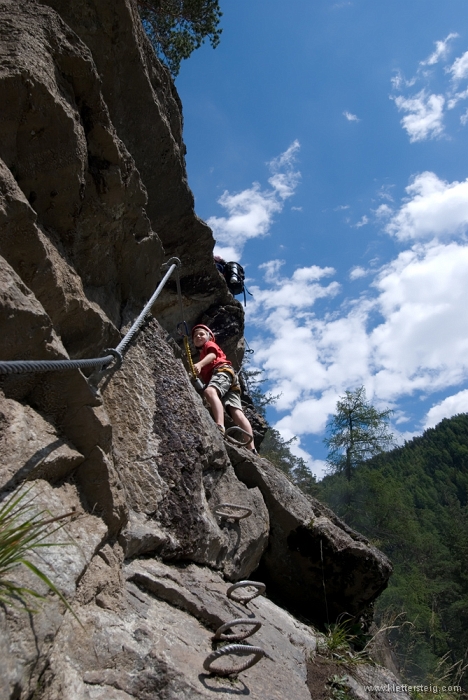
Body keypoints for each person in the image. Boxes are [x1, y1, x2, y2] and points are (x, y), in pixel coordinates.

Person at [192, 324, 256, 452]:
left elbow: (213, 356)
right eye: (195, 335)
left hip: (222, 371)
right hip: (229, 378)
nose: (198, 336)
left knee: (210, 391)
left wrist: (199, 364)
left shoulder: (209, 345)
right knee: (237, 412)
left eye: (202, 334)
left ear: (209, 337)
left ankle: (220, 426)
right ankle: (252, 448)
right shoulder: (204, 353)